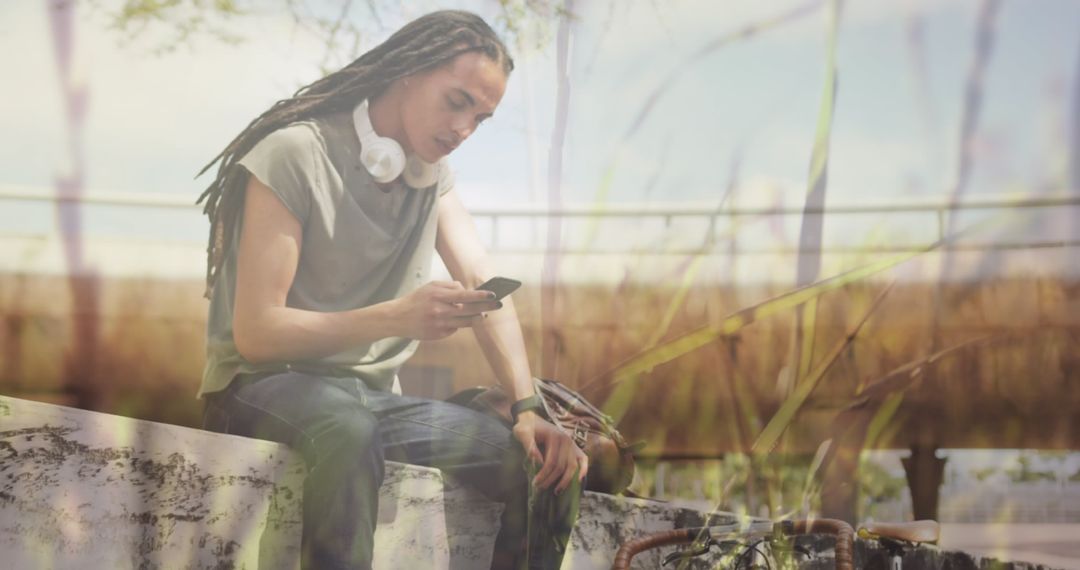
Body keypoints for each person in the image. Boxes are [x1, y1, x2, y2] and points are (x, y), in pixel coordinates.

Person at [194, 10, 587, 570]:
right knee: (347, 429)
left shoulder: (433, 177)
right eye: (456, 102)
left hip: (370, 402)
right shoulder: (295, 153)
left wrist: (527, 409)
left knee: (541, 465)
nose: (463, 130)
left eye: (482, 117)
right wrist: (393, 318)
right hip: (257, 387)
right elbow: (258, 335)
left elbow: (483, 283)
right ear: (408, 73)